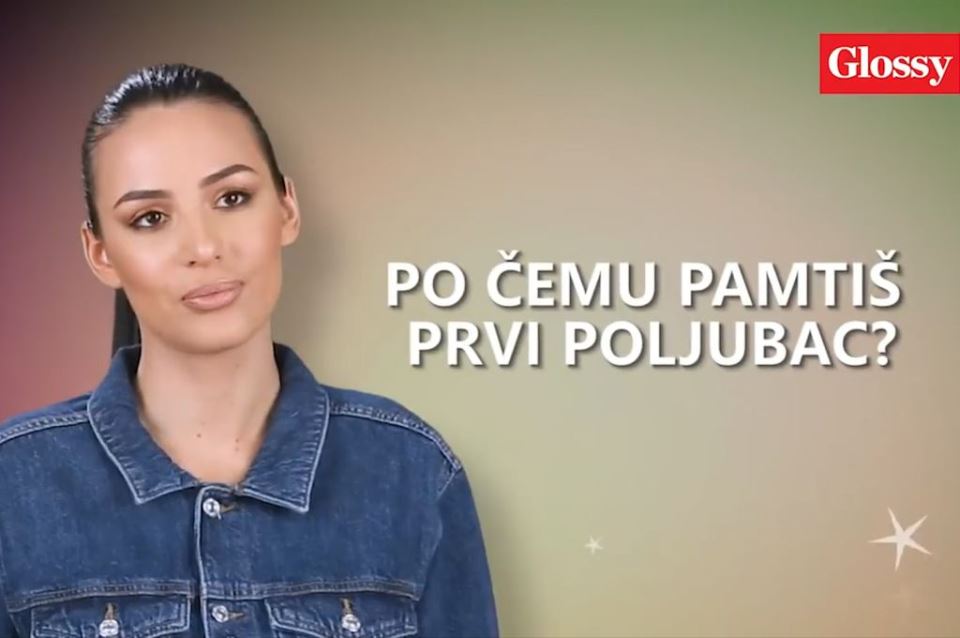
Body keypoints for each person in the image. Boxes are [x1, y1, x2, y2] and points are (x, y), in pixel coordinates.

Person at [0, 63, 499, 638]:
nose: (204, 247)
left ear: (287, 209)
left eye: (232, 197)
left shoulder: (412, 469)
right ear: (101, 253)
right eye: (151, 218)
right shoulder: (14, 484)